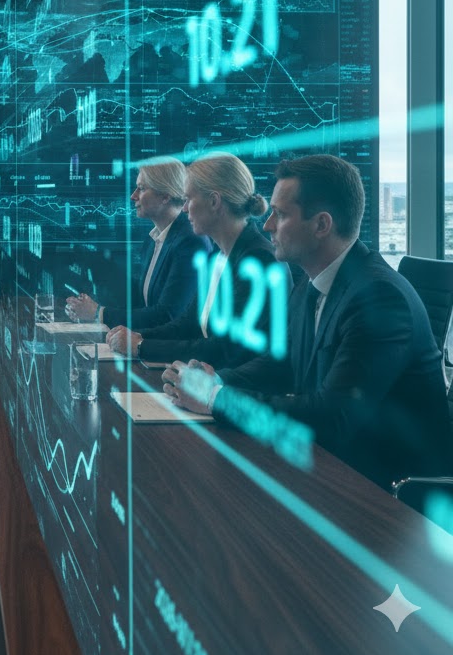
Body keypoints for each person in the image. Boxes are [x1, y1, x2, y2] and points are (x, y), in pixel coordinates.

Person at [164, 154, 453, 488]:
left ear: (321, 225)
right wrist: (215, 381)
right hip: (333, 467)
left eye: (281, 214)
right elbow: (282, 364)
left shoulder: (379, 298)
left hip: (389, 493)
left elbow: (331, 417)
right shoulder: (311, 282)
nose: (268, 225)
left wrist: (216, 399)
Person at [108, 153, 287, 370]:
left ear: (214, 202)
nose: (184, 209)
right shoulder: (216, 258)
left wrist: (141, 346)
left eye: (189, 199)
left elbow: (224, 349)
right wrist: (136, 336)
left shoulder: (258, 260)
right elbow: (186, 325)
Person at [66, 157, 211, 329]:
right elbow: (142, 302)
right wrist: (90, 306)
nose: (133, 196)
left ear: (165, 196)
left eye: (141, 189)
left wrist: (99, 313)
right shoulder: (153, 240)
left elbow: (167, 315)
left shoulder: (190, 242)